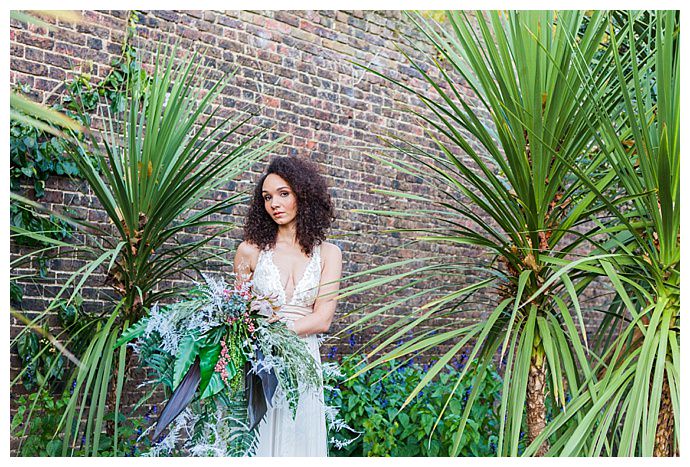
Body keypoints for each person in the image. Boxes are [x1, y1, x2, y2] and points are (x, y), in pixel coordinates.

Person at [233, 156, 342, 456]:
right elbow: (236, 313)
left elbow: (323, 318)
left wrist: (277, 334)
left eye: (284, 194)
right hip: (260, 361)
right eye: (267, 197)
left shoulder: (329, 254)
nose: (274, 204)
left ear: (302, 195)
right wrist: (258, 339)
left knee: (299, 438)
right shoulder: (249, 251)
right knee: (258, 437)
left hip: (303, 358)